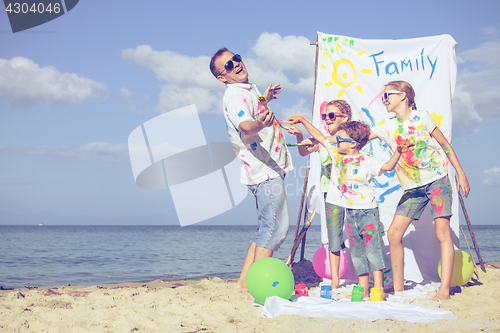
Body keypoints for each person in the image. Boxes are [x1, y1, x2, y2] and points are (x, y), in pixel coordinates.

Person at [369, 80, 470, 301]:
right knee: (394, 234)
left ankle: (444, 291)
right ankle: (398, 288)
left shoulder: (422, 117)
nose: (384, 100)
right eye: (383, 96)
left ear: (403, 95)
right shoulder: (385, 126)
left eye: (388, 95)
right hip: (411, 189)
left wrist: (460, 173)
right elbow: (356, 137)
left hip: (436, 181)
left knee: (442, 233)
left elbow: (445, 145)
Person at [287, 116, 409, 299]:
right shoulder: (337, 154)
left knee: (373, 250)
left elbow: (389, 167)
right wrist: (303, 122)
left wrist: (399, 151)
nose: (335, 141)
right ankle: (363, 289)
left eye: (340, 139)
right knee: (357, 252)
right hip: (351, 214)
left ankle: (378, 288)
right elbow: (319, 136)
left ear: (353, 144)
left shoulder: (367, 159)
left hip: (368, 212)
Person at [209, 48, 293, 291]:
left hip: (264, 167)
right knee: (276, 229)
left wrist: (264, 99)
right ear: (222, 78)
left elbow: (252, 110)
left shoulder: (246, 89)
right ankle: (258, 287)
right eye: (227, 66)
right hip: (263, 169)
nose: (235, 64)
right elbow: (245, 124)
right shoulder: (235, 94)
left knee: (266, 227)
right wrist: (259, 123)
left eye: (236, 58)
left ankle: (244, 285)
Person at [287, 100, 351, 289]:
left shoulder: (347, 136)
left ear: (344, 118)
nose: (327, 119)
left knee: (352, 233)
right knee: (334, 236)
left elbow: (322, 139)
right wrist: (299, 135)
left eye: (331, 115)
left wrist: (303, 122)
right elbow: (302, 151)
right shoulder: (322, 139)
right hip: (328, 193)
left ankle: (357, 274)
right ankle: (335, 281)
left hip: (348, 192)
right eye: (324, 116)